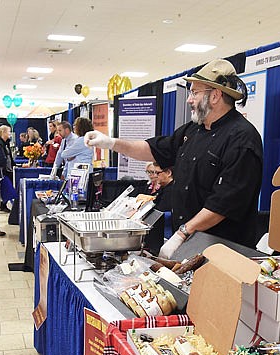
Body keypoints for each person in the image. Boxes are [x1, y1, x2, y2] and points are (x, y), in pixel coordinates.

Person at [85, 59, 263, 257]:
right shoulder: (193, 130)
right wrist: (111, 143)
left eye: (195, 92)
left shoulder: (242, 139)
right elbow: (153, 150)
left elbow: (223, 204)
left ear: (215, 95)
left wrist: (182, 233)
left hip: (223, 250)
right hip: (192, 242)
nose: (189, 100)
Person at [0, 124, 17, 211]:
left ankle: (3, 203)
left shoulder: (6, 143)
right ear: (3, 132)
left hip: (9, 168)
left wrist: (13, 164)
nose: (9, 133)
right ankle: (3, 204)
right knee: (6, 186)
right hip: (4, 169)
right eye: (8, 132)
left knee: (8, 186)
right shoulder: (0, 143)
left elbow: (9, 156)